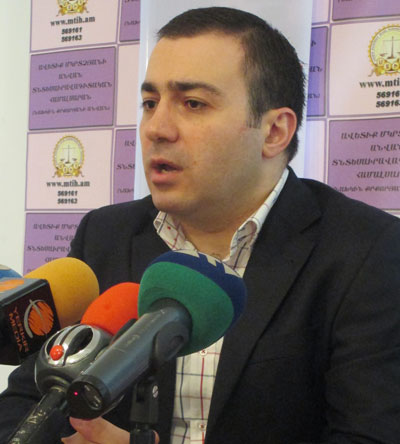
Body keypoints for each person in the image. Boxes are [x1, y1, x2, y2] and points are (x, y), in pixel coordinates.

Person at [1, 6, 400, 444]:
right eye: (150, 103)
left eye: (193, 104)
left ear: (274, 132)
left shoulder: (367, 253)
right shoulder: (105, 236)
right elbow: (25, 404)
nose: (157, 128)